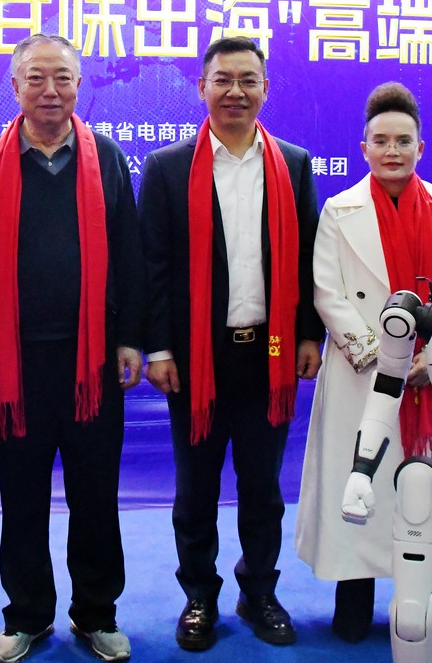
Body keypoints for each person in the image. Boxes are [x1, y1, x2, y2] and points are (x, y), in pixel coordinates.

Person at [0, 33, 145, 663]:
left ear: (79, 86)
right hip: (15, 365)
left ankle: (97, 614)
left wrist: (130, 338)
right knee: (22, 499)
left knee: (96, 497)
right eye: (35, 78)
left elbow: (130, 254)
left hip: (92, 363)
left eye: (62, 78)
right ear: (15, 87)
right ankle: (28, 616)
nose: (49, 90)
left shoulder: (108, 158)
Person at [139, 36, 325, 652]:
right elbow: (154, 267)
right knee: (195, 488)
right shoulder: (168, 168)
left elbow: (309, 259)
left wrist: (308, 334)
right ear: (202, 88)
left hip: (268, 354)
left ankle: (259, 591)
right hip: (196, 357)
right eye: (223, 80)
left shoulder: (293, 164)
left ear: (265, 89)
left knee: (262, 487)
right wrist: (159, 348)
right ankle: (199, 594)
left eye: (248, 80)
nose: (235, 92)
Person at [294, 82, 432, 644]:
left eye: (403, 141)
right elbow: (327, 292)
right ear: (364, 148)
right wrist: (383, 357)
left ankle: (415, 597)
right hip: (362, 374)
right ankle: (353, 600)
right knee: (360, 485)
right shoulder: (339, 210)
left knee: (421, 484)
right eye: (380, 141)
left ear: (420, 148)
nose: (392, 151)